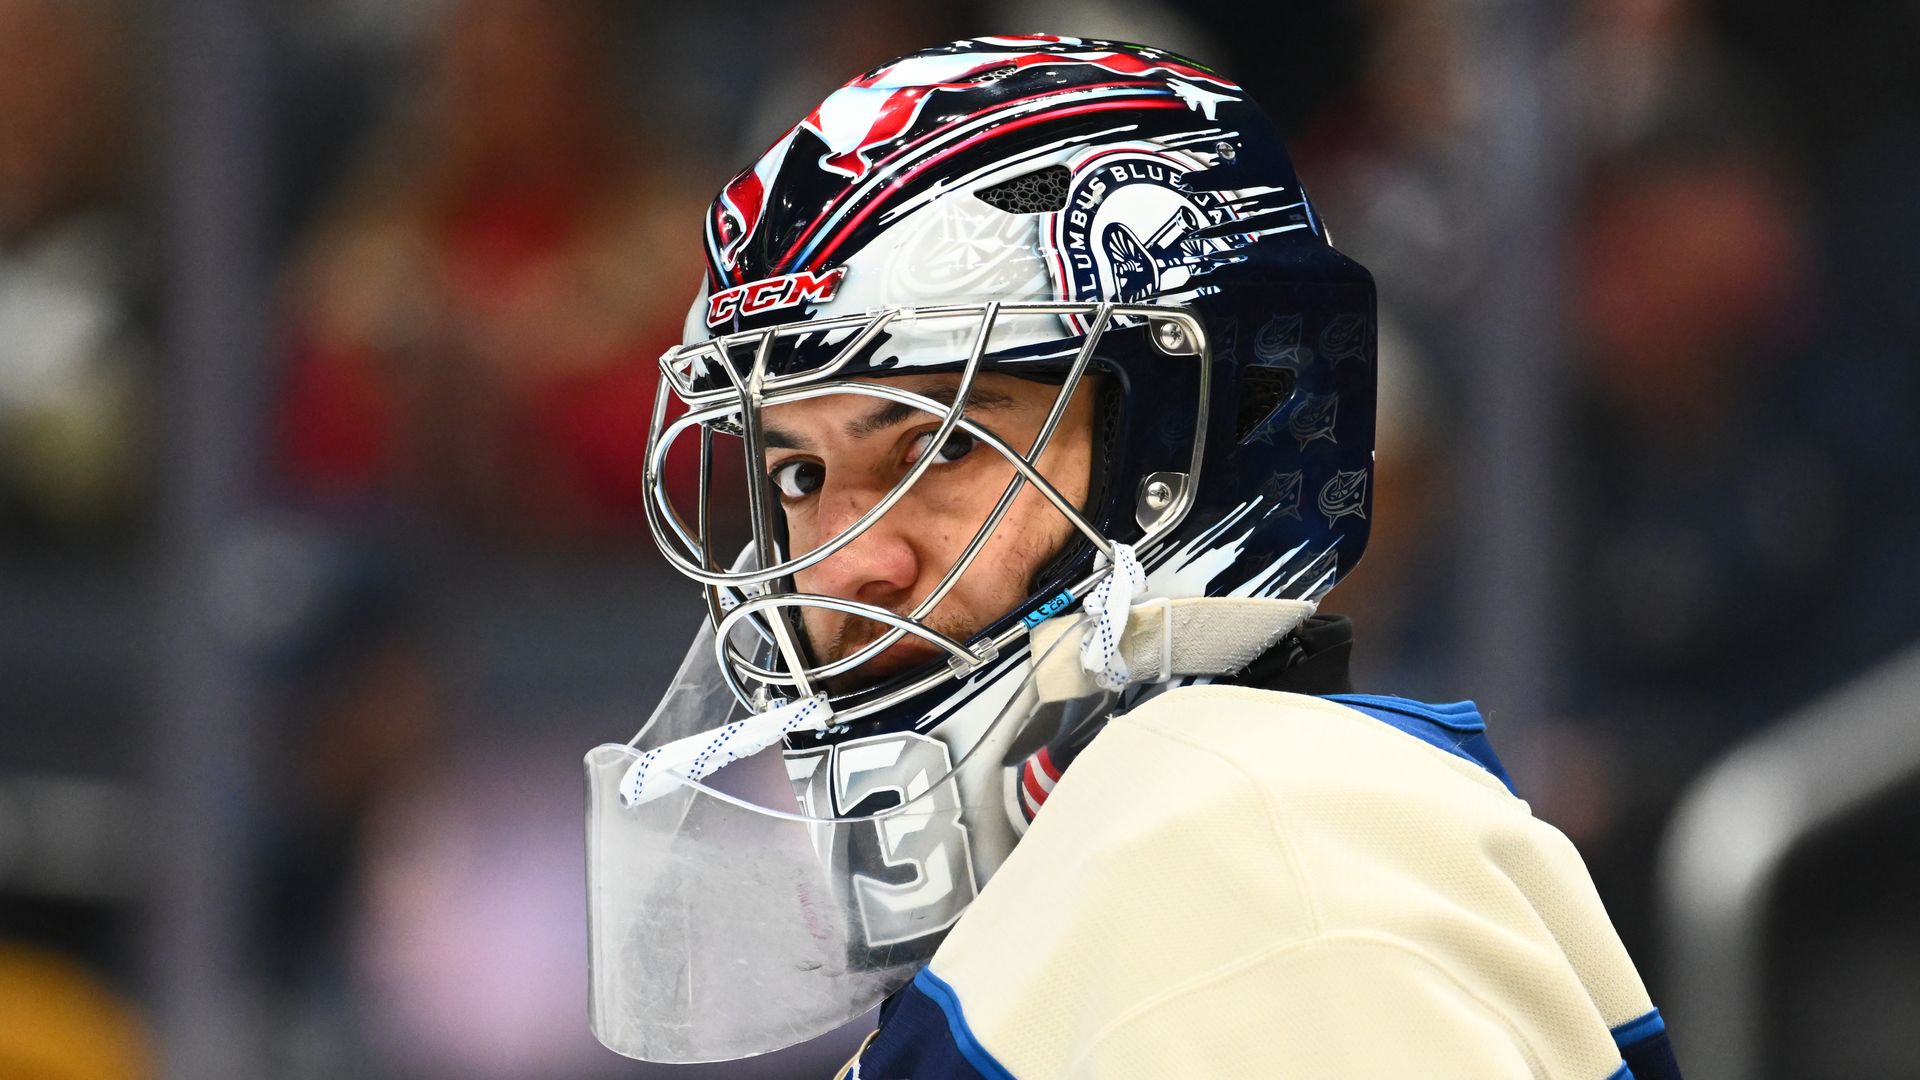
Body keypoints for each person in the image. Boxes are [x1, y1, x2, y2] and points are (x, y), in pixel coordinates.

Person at [582, 36, 1683, 1079]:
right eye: (799, 478)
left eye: (946, 446)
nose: (837, 569)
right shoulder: (1137, 880)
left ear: (1187, 446)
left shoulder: (1267, 852)